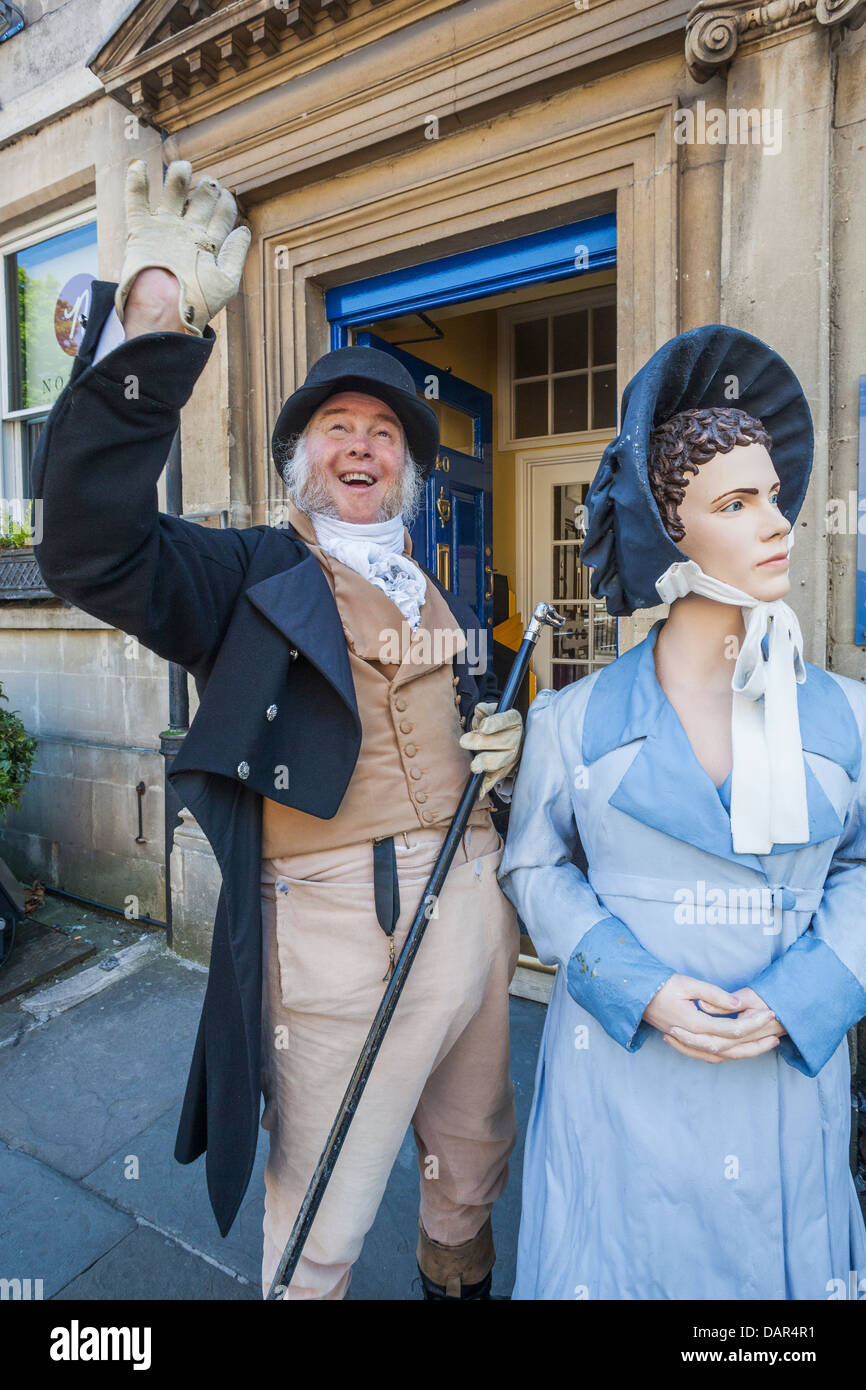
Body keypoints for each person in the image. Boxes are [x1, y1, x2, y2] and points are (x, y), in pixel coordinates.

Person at [31, 158, 524, 1301]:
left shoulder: (441, 588)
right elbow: (91, 547)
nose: (362, 446)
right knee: (326, 1204)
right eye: (336, 429)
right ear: (299, 463)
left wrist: (506, 763)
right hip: (333, 938)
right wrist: (153, 319)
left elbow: (465, 738)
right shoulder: (245, 571)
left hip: (476, 911)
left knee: (471, 1159)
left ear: (407, 467)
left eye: (384, 435)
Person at [497, 324, 866, 1300]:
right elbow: (532, 868)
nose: (775, 523)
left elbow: (859, 869)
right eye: (734, 502)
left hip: (780, 1085)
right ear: (670, 533)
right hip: (619, 1083)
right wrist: (637, 985)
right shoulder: (572, 721)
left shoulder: (849, 717)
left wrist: (806, 994)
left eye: (774, 497)